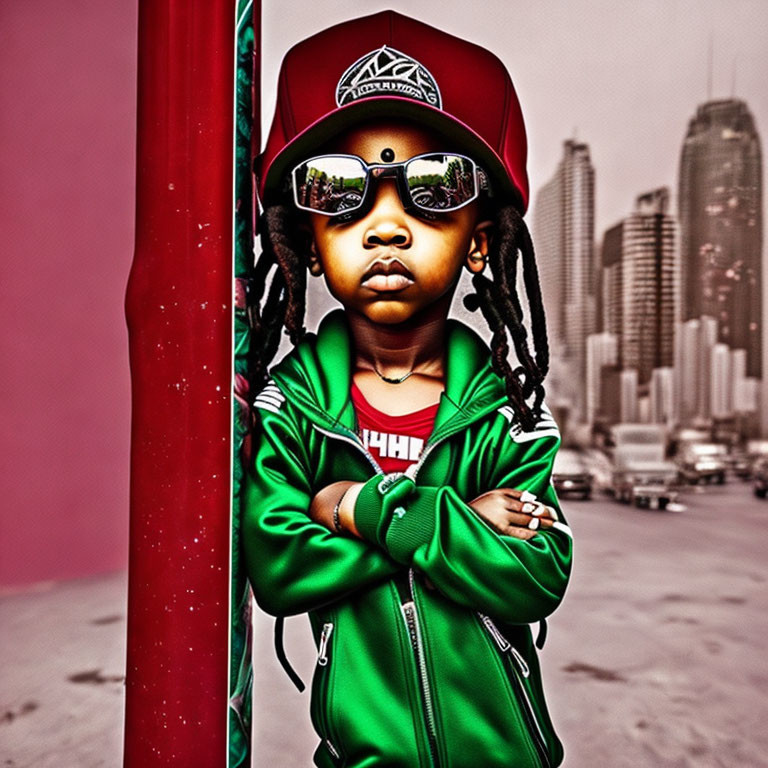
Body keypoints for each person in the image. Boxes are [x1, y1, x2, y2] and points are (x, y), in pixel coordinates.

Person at [242, 10, 573, 767]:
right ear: (308, 244)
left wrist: (353, 505)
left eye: (433, 185)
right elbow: (278, 562)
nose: (385, 226)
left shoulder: (505, 409)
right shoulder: (294, 404)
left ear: (482, 240)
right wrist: (451, 527)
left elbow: (535, 572)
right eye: (338, 189)